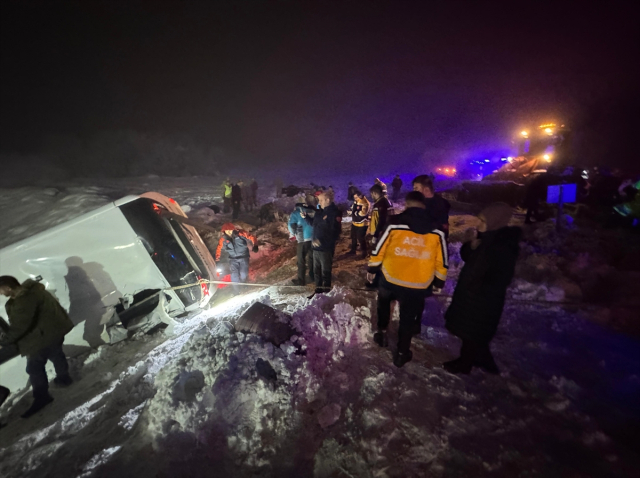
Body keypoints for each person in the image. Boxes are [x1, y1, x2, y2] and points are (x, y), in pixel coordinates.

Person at [367, 192, 448, 367]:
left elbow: (380, 247)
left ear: (407, 204)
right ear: (423, 205)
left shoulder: (394, 222)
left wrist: (372, 268)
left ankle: (381, 334)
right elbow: (442, 259)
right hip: (417, 283)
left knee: (383, 305)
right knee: (407, 318)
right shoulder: (437, 229)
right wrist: (439, 281)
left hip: (390, 277)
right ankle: (402, 353)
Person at [443, 203, 521, 375]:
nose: (477, 222)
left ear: (495, 222)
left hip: (482, 297)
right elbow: (470, 258)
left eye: (483, 220)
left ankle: (465, 364)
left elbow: (500, 276)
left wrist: (477, 286)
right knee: (474, 331)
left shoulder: (501, 246)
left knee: (472, 331)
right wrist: (471, 245)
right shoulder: (487, 238)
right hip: (474, 294)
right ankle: (484, 360)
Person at [0, 276, 75, 418]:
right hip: (53, 331)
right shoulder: (32, 291)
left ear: (8, 287)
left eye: (1, 290)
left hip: (42, 337)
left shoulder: (24, 299)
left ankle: (42, 397)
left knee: (34, 368)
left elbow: (20, 326)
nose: (1, 293)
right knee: (56, 354)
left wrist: (4, 342)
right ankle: (64, 378)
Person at [302, 190, 341, 293]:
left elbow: (335, 233)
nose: (319, 203)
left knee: (325, 272)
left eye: (321, 200)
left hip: (325, 249)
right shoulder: (320, 213)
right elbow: (314, 224)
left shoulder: (334, 213)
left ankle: (326, 292)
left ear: (327, 200)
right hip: (315, 248)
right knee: (316, 272)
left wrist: (322, 241)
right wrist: (306, 217)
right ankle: (318, 291)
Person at [215, 223, 259, 294]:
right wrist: (217, 259)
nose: (229, 232)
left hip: (243, 257)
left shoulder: (241, 233)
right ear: (224, 231)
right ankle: (236, 291)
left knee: (243, 273)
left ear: (233, 229)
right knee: (234, 275)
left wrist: (255, 245)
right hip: (233, 259)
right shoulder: (223, 239)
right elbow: (219, 248)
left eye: (230, 230)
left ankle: (244, 282)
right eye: (226, 231)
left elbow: (252, 237)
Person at [288, 195, 317, 285]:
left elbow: (291, 225)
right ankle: (313, 276)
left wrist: (293, 234)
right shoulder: (312, 210)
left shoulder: (295, 213)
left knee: (301, 260)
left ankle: (301, 279)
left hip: (303, 239)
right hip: (314, 238)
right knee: (312, 259)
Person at [348, 190, 370, 257]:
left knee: (361, 238)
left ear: (360, 196)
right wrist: (351, 211)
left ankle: (364, 252)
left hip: (362, 223)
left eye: (356, 197)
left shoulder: (365, 203)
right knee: (353, 236)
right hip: (355, 222)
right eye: (354, 197)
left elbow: (362, 213)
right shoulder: (357, 201)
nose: (355, 199)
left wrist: (354, 213)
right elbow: (353, 208)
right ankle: (353, 250)